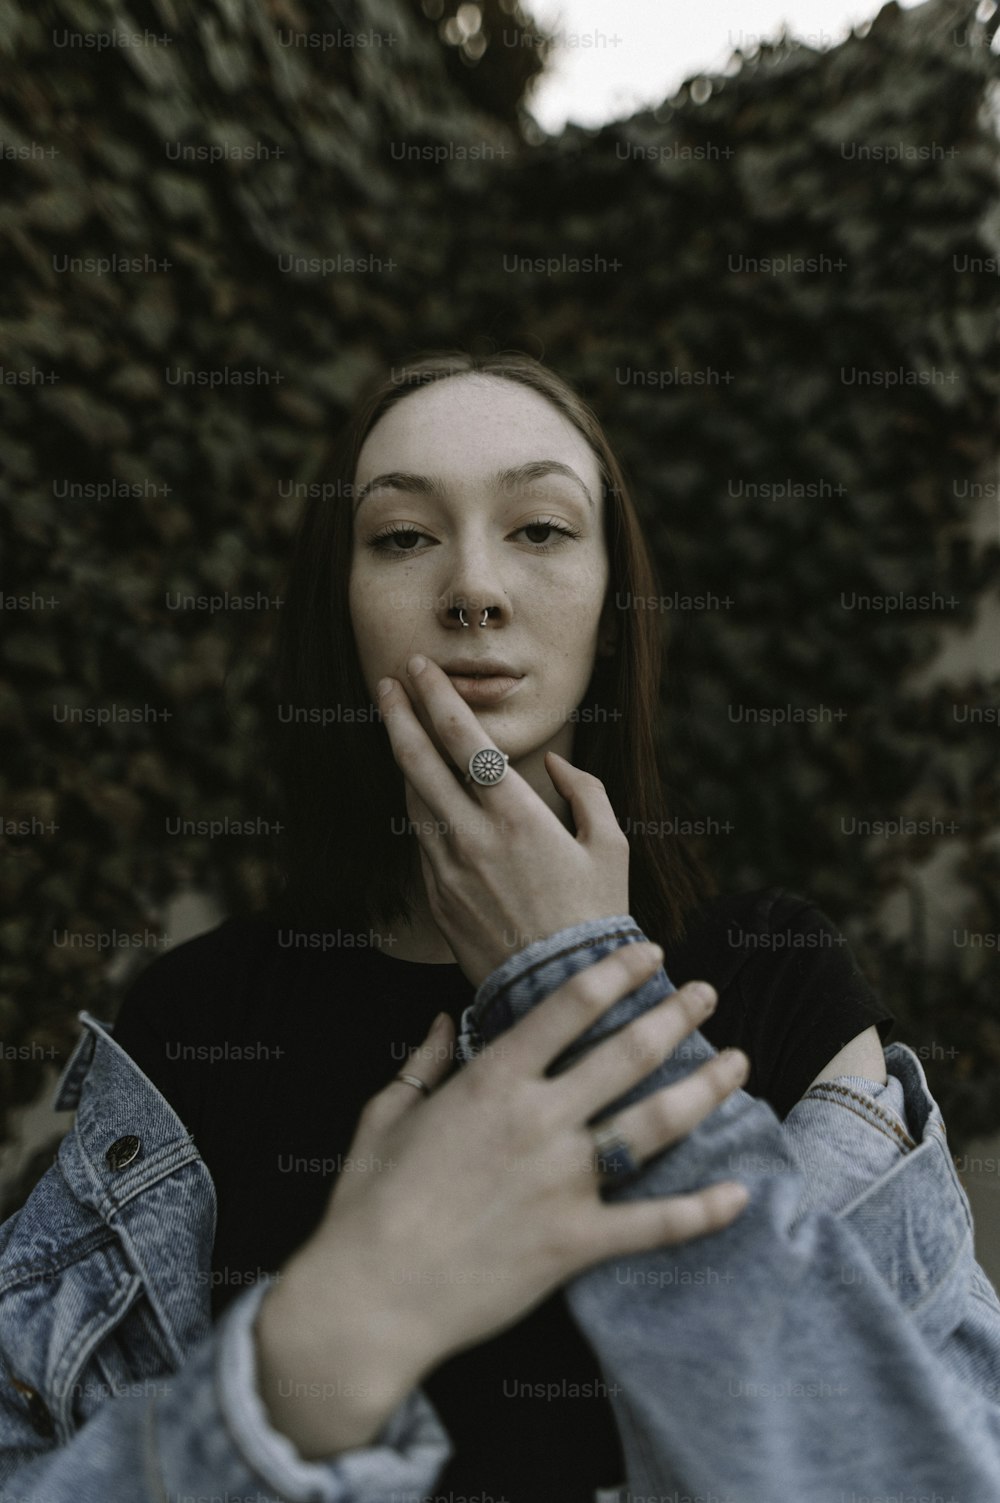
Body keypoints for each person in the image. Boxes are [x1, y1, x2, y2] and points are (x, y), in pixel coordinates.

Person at [2, 351, 998, 1503]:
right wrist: (346, 1320)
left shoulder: (769, 979)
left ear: (613, 616)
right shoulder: (198, 1020)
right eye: (403, 537)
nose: (474, 587)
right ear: (345, 615)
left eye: (538, 529)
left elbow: (914, 1475)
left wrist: (571, 976)